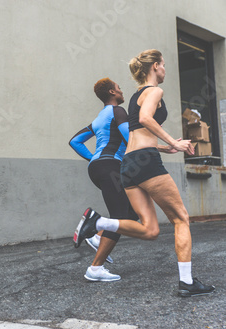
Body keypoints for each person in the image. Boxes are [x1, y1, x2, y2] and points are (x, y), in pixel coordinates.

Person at [74, 49, 215, 297]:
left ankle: (98, 223)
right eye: (163, 65)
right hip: (145, 161)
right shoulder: (154, 91)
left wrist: (165, 146)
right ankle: (186, 282)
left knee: (150, 230)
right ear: (155, 66)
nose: (165, 69)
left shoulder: (135, 96)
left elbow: (138, 131)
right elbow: (146, 119)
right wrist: (176, 142)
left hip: (128, 163)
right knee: (181, 218)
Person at [69, 78, 138, 282]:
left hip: (98, 168)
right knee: (119, 215)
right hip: (112, 167)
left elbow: (75, 141)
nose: (121, 90)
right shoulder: (118, 111)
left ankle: (98, 236)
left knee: (131, 212)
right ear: (112, 92)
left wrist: (94, 158)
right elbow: (130, 138)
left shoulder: (99, 118)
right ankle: (95, 266)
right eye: (119, 88)